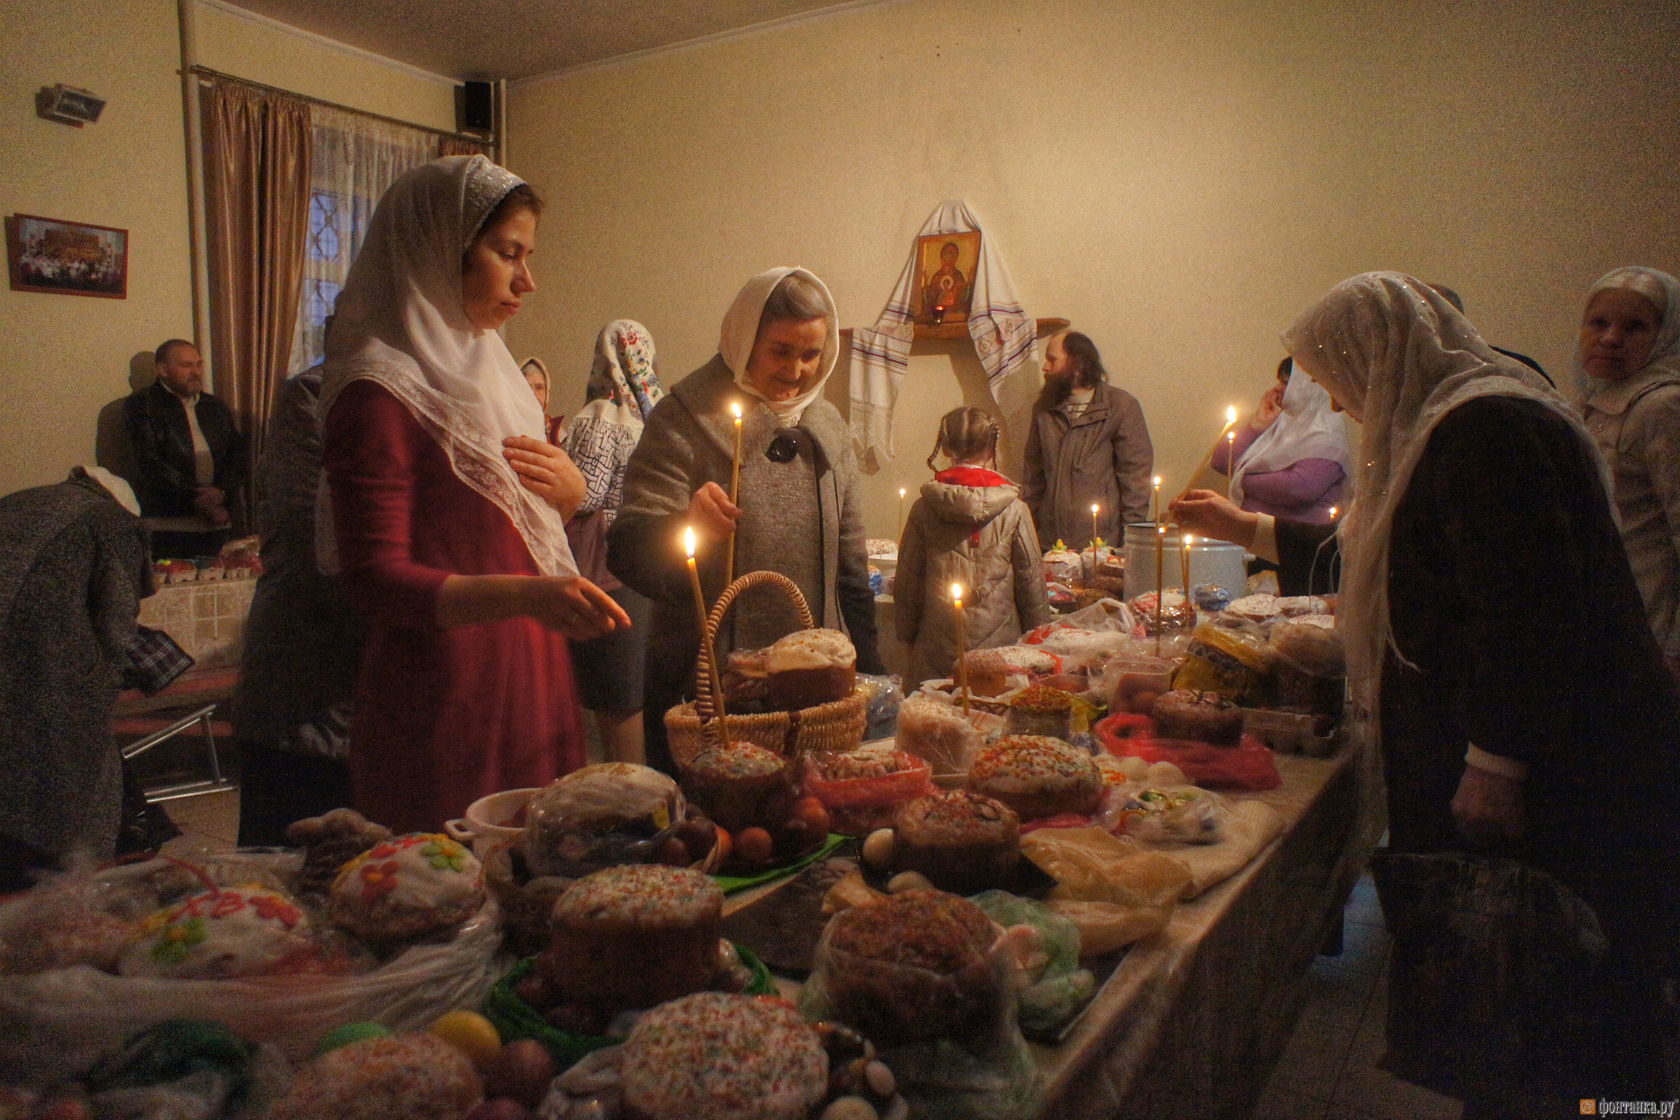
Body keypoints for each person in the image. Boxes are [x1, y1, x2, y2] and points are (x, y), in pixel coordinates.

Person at [1174, 272, 1680, 1114]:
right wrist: (1247, 529)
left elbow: (1525, 610)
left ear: (1380, 354)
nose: (1337, 401)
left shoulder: (1488, 429)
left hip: (1562, 767)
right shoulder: (1458, 419)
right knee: (1524, 996)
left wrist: (1495, 762)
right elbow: (1404, 551)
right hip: (1539, 745)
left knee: (1558, 990)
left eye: (1337, 376)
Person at [319, 155, 627, 834]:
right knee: (453, 884)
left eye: (529, 255)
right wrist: (528, 594)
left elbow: (506, 520)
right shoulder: (377, 391)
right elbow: (374, 581)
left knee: (540, 871)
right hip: (445, 685)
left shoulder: (492, 373)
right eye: (507, 254)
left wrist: (570, 497)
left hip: (527, 664)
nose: (529, 280)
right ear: (438, 249)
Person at [609, 267, 884, 773]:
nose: (798, 370)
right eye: (780, 350)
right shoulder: (683, 419)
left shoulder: (827, 425)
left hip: (816, 691)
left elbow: (850, 565)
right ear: (742, 339)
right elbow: (626, 547)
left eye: (811, 353)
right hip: (706, 687)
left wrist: (870, 671)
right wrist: (683, 525)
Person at [0, 467, 152, 880]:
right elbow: (117, 623)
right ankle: (68, 889)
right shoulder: (111, 521)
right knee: (73, 787)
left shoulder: (22, 498)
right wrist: (110, 677)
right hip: (43, 671)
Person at [230, 367, 360, 846]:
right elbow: (320, 556)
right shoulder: (317, 392)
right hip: (312, 686)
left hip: (390, 697)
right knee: (294, 884)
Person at [550, 321, 664, 765]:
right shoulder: (657, 414)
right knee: (632, 685)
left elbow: (587, 492)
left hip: (605, 561)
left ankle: (623, 791)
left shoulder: (602, 415)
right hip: (648, 554)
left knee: (612, 691)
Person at [1573, 266, 1680, 686]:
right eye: (1599, 322)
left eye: (1635, 327)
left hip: (1650, 626)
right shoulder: (1593, 399)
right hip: (1604, 614)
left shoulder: (1662, 408)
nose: (1611, 338)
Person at [896, 406, 1051, 688]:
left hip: (937, 646)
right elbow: (1032, 584)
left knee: (936, 720)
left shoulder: (924, 508)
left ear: (944, 446)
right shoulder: (1015, 510)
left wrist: (906, 637)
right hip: (1001, 651)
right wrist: (1038, 638)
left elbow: (908, 582)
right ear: (992, 448)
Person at [1022, 330, 1153, 548]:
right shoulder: (1043, 410)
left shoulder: (1121, 406)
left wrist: (1131, 543)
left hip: (1102, 546)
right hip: (1050, 546)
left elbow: (1135, 481)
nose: (1045, 367)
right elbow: (1032, 478)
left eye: (1052, 359)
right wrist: (1029, 535)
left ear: (1077, 363)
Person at [123, 339, 248, 556]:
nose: (196, 372)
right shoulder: (143, 405)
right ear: (162, 369)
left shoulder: (214, 406)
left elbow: (237, 454)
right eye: (186, 365)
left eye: (198, 364)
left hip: (218, 521)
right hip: (169, 524)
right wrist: (195, 497)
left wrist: (221, 491)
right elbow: (149, 461)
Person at [1210, 356, 1349, 523]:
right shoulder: (1280, 424)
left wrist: (1241, 477)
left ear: (1310, 387)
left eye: (1286, 383)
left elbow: (1297, 488)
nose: (1277, 389)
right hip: (1253, 536)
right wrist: (1257, 426)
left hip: (1297, 541)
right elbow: (1221, 462)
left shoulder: (1327, 435)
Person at [521, 356, 566, 446]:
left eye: (539, 388)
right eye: (527, 387)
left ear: (547, 393)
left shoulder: (556, 431)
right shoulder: (506, 423)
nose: (533, 394)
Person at [921, 240, 969, 321]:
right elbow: (931, 296)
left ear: (955, 257)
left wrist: (969, 284)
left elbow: (963, 296)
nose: (948, 256)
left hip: (954, 314)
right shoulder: (937, 276)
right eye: (946, 254)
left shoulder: (958, 275)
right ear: (942, 256)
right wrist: (925, 285)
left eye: (951, 254)